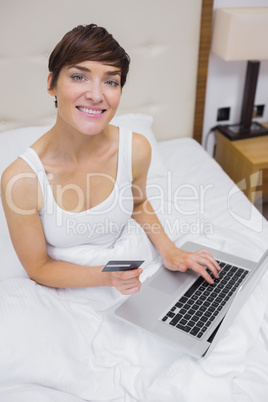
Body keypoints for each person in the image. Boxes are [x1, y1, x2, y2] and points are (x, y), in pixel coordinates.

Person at [1, 24, 220, 295]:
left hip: (133, 267)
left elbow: (138, 202)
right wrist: (109, 277)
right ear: (51, 84)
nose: (96, 95)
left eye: (110, 81)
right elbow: (39, 268)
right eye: (79, 77)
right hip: (72, 283)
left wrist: (170, 251)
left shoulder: (136, 149)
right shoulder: (21, 180)